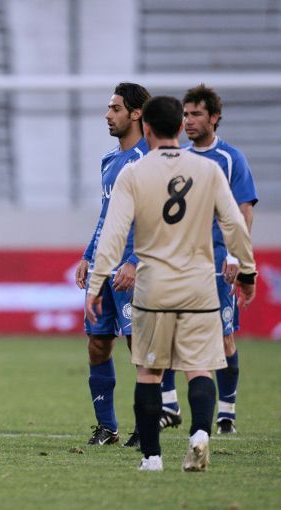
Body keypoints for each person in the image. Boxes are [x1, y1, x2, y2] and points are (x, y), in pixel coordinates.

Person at [85, 95, 256, 472]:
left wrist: (97, 284)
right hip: (199, 284)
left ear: (146, 127)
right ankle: (200, 433)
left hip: (153, 286)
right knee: (199, 367)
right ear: (180, 127)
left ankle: (152, 457)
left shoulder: (134, 173)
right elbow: (234, 224)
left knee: (149, 372)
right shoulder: (208, 169)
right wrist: (246, 272)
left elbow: (113, 235)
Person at [158, 84, 259, 435]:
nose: (189, 120)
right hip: (178, 262)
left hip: (217, 262)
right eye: (185, 114)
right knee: (167, 330)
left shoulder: (230, 159)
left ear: (214, 117)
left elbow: (243, 211)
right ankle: (169, 405)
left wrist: (235, 255)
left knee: (223, 337)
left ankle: (226, 413)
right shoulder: (178, 157)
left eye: (197, 114)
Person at [75, 82, 151, 446]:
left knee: (141, 348)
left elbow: (154, 219)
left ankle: (147, 426)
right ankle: (107, 427)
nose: (108, 115)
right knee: (97, 344)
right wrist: (88, 254)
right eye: (109, 108)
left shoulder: (150, 159)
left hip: (136, 269)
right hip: (104, 267)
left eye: (115, 108)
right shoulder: (109, 160)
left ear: (136, 113)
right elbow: (107, 216)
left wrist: (135, 261)